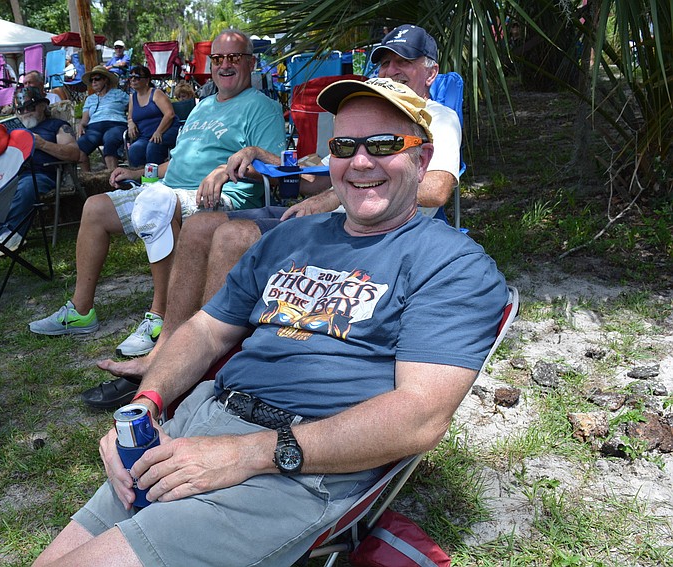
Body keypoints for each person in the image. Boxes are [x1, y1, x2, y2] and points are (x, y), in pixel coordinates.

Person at [31, 76, 508, 567]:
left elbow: (419, 417)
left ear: (422, 159)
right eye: (344, 145)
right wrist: (144, 407)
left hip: (298, 467)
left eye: (384, 144)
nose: (361, 161)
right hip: (197, 423)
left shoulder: (451, 265)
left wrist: (249, 454)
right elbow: (205, 330)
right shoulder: (290, 238)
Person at [97, 23, 463, 393]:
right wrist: (258, 156)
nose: (390, 71)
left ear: (431, 71)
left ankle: (206, 370)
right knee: (199, 226)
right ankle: (167, 350)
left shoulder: (437, 117)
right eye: (384, 63)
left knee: (232, 235)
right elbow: (311, 176)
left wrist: (330, 197)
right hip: (323, 217)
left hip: (364, 233)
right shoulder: (367, 115)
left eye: (404, 62)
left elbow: (438, 187)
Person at [28, 29, 285, 361]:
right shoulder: (202, 106)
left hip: (221, 199)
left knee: (160, 203)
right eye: (218, 58)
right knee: (95, 207)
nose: (225, 65)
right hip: (168, 190)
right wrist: (137, 173)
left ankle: (161, 319)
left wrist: (227, 169)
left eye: (234, 57)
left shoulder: (262, 107)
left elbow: (277, 170)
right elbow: (177, 162)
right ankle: (81, 311)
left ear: (250, 62)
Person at [0, 87, 81, 256]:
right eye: (20, 110)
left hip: (40, 173)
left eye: (30, 107)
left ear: (43, 106)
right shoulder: (13, 129)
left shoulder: (57, 126)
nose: (25, 112)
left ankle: (7, 235)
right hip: (9, 174)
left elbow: (74, 154)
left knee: (26, 187)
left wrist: (42, 144)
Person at [76, 64, 129, 173]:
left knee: (110, 140)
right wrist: (81, 125)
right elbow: (85, 118)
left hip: (116, 124)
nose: (94, 82)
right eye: (92, 80)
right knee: (79, 147)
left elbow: (134, 105)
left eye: (97, 79)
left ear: (105, 80)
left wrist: (131, 121)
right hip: (94, 128)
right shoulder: (90, 99)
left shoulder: (119, 94)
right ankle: (89, 180)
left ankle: (113, 179)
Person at [126, 66, 179, 167]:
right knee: (134, 149)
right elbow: (130, 117)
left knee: (153, 147)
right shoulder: (132, 97)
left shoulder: (156, 93)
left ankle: (155, 178)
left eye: (137, 77)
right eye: (131, 77)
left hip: (165, 131)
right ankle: (139, 178)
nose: (133, 80)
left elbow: (169, 114)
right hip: (145, 136)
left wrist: (159, 131)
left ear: (147, 80)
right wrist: (131, 123)